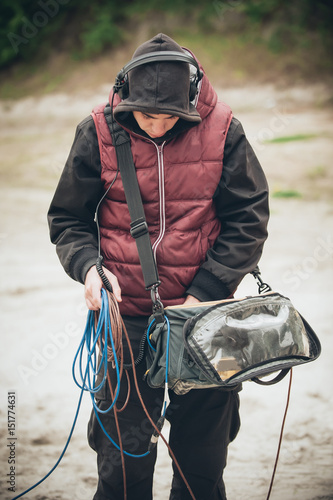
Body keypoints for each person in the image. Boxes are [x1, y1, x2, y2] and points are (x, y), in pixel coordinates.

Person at [48, 33, 269, 500]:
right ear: (126, 97)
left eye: (169, 117)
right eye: (145, 116)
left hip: (207, 320)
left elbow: (249, 219)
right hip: (125, 318)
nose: (155, 126)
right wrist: (89, 268)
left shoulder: (225, 128)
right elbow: (68, 218)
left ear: (190, 102)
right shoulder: (97, 130)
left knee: (202, 463)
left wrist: (206, 289)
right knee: (122, 463)